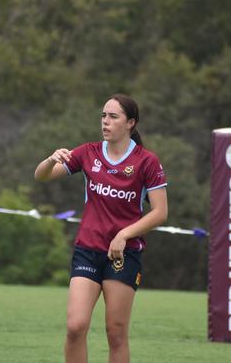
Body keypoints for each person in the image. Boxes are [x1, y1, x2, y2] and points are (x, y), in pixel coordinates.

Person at [34, 94, 168, 363]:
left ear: (131, 123)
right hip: (87, 249)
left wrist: (123, 235)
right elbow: (41, 176)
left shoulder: (147, 162)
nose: (105, 122)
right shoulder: (88, 153)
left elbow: (160, 213)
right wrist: (51, 160)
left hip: (123, 255)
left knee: (116, 333)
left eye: (113, 117)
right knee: (75, 327)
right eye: (103, 116)